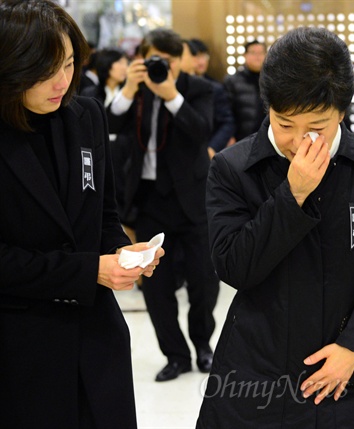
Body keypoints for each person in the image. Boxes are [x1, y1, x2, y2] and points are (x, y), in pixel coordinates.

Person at [197, 27, 354, 428]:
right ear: (269, 109)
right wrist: (291, 196)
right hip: (259, 369)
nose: (299, 142)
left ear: (342, 111)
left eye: (317, 126)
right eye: (284, 125)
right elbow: (234, 268)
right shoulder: (232, 167)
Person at [0, 1, 164, 427]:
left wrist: (124, 253)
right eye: (44, 70)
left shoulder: (85, 115)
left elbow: (104, 215)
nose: (61, 81)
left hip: (97, 335)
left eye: (70, 63)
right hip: (23, 342)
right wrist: (88, 270)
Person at [107, 28, 220, 381]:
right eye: (154, 59)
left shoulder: (199, 88)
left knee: (204, 280)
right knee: (156, 286)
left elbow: (202, 131)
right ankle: (175, 355)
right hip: (149, 199)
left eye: (168, 61)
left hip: (192, 198)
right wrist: (128, 88)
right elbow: (110, 122)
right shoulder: (136, 88)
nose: (161, 66)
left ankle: (203, 345)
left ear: (180, 60)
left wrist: (171, 94)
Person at [81, 47, 130, 212]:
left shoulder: (133, 93)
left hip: (125, 157)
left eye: (126, 62)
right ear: (107, 65)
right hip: (99, 154)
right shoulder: (90, 93)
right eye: (120, 62)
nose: (125, 67)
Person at [188, 38, 235, 157]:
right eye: (196, 56)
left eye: (204, 56)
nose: (201, 61)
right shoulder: (175, 87)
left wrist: (213, 148)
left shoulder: (215, 88)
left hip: (208, 152)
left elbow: (227, 122)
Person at [224, 39, 266, 143]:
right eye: (253, 53)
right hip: (241, 138)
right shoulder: (232, 81)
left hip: (267, 137)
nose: (257, 56)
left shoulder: (272, 80)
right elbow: (227, 111)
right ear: (245, 55)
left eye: (261, 53)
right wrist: (229, 135)